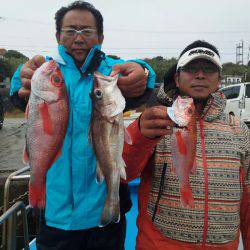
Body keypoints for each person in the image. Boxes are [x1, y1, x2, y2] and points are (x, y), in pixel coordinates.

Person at [10, 1, 156, 249]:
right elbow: (20, 87)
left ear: (100, 36)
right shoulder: (47, 70)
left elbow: (141, 81)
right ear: (58, 35)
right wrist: (19, 79)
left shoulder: (110, 72)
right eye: (70, 30)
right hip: (56, 214)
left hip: (105, 214)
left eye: (87, 31)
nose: (78, 38)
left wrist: (144, 71)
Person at [123, 40, 250, 250]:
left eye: (209, 69)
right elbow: (124, 174)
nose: (200, 75)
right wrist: (139, 134)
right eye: (191, 68)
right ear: (177, 77)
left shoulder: (240, 130)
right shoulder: (153, 121)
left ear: (219, 79)